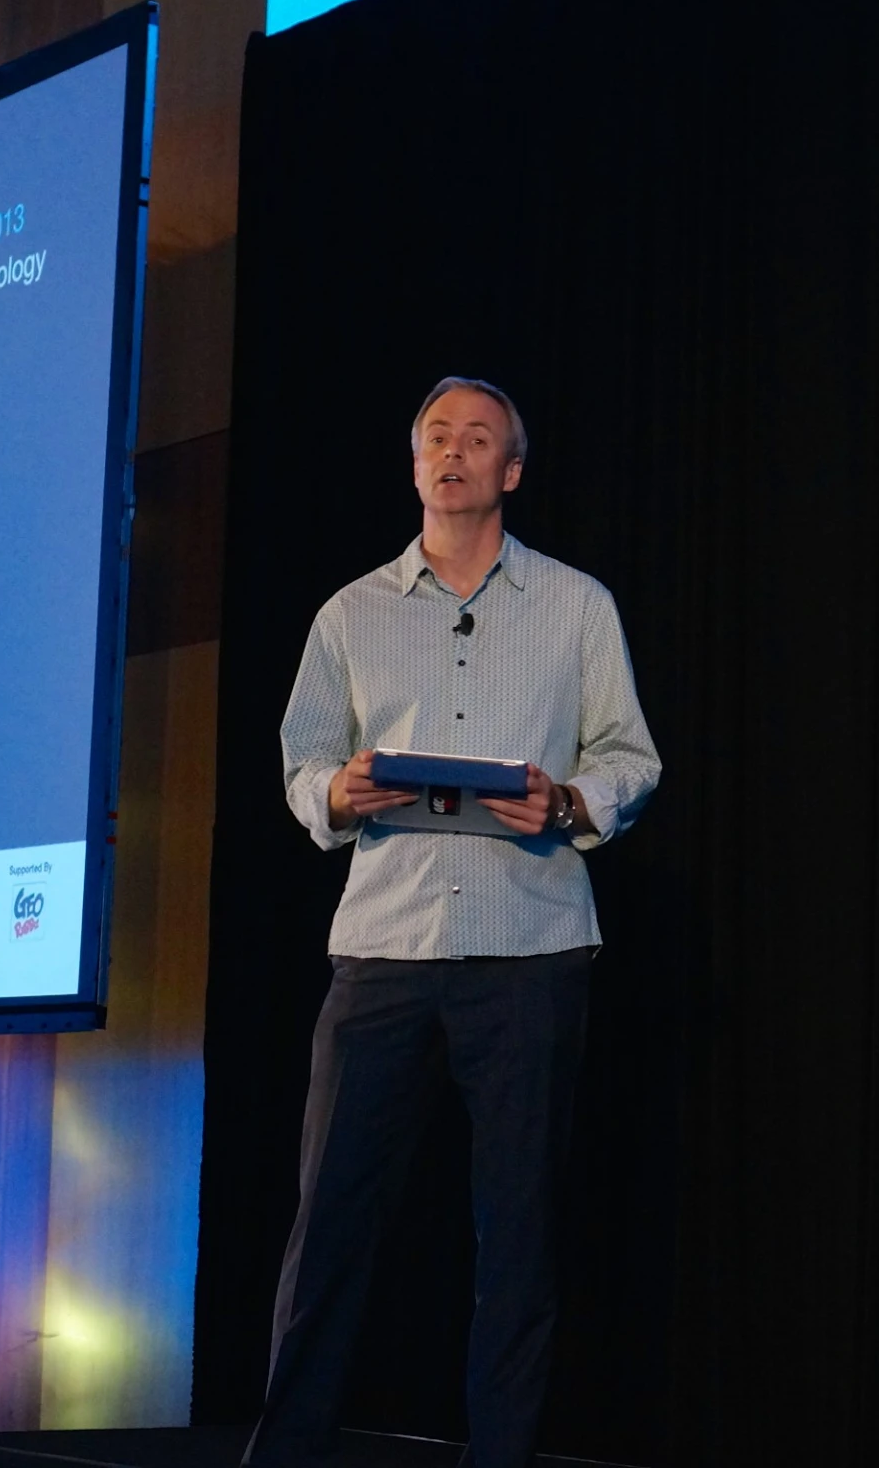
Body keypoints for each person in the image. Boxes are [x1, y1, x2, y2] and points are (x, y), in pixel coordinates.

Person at [244, 377, 663, 1468]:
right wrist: (341, 791)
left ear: (511, 470)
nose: (456, 452)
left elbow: (631, 756)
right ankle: (285, 1449)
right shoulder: (351, 612)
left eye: (479, 439)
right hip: (381, 949)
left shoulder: (576, 606)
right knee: (329, 1222)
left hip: (529, 951)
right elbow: (302, 760)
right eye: (438, 435)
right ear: (415, 462)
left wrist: (567, 802)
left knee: (516, 1234)